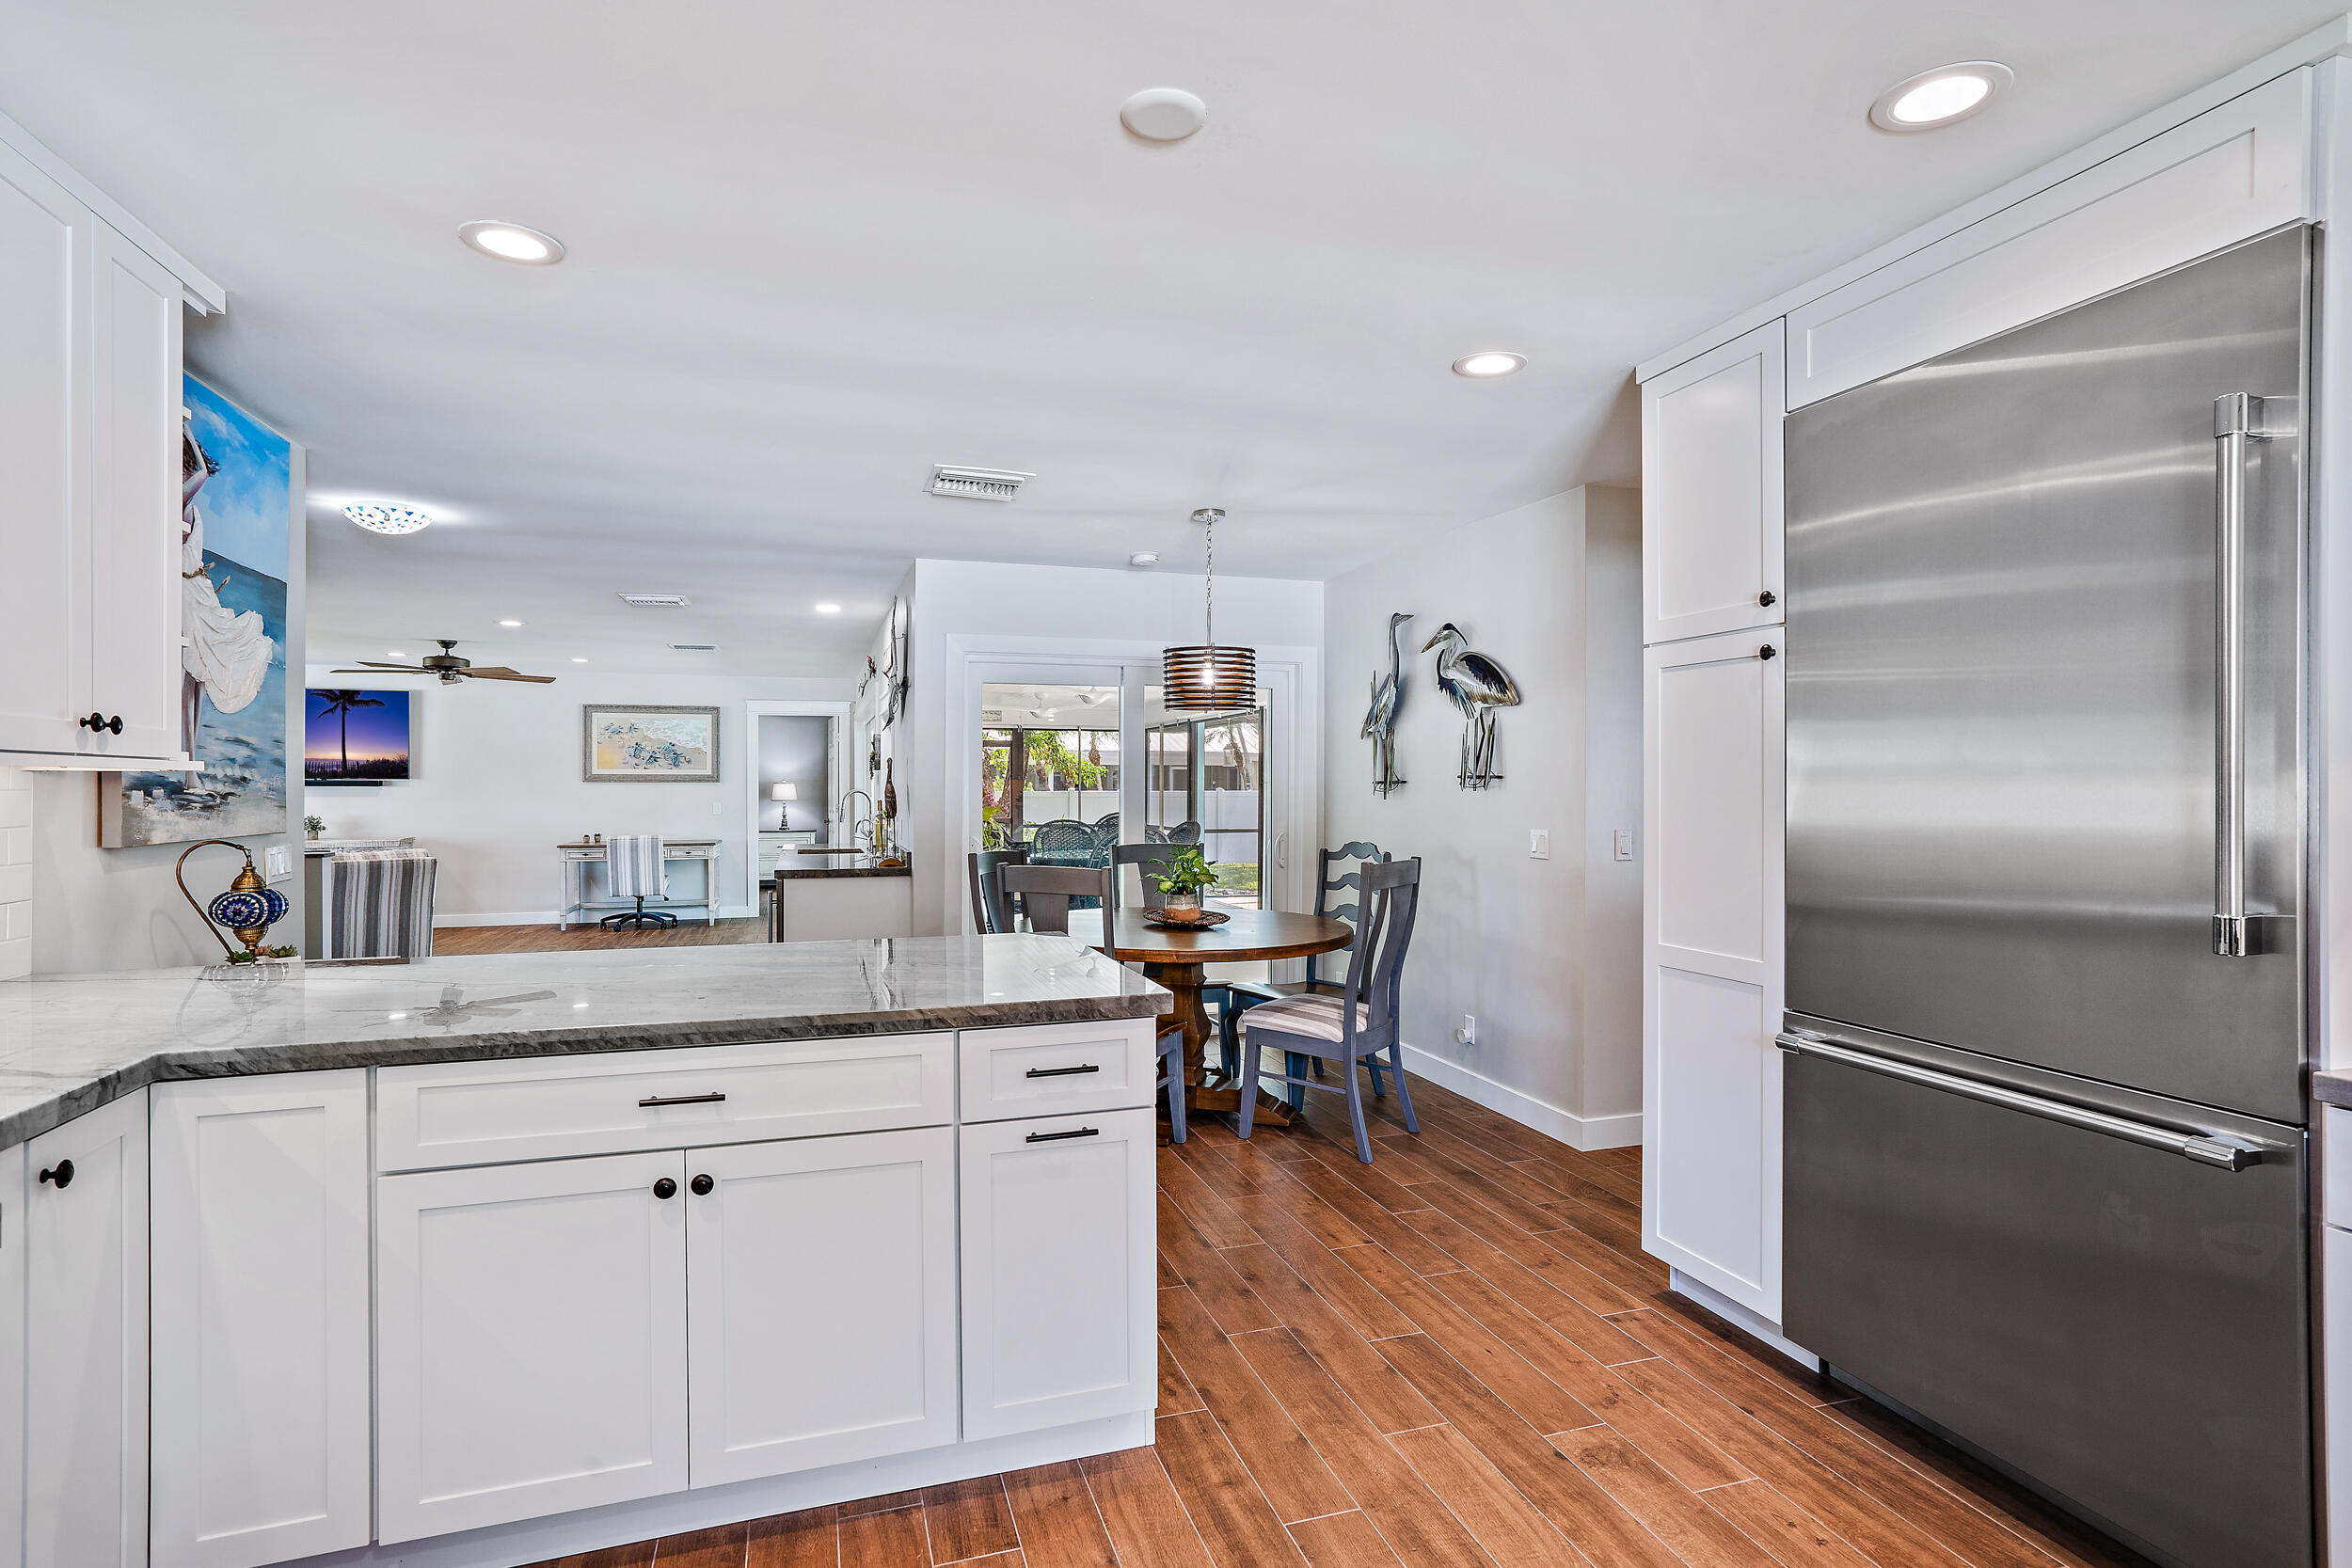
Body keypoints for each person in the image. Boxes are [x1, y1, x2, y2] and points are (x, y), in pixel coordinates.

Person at [180, 415, 272, 752]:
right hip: (188, 591)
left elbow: (202, 474)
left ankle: (189, 759)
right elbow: (203, 474)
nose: (189, 474)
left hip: (197, 590)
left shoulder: (184, 502)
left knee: (199, 676)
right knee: (192, 675)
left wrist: (186, 433)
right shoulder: (179, 499)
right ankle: (188, 758)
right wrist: (187, 432)